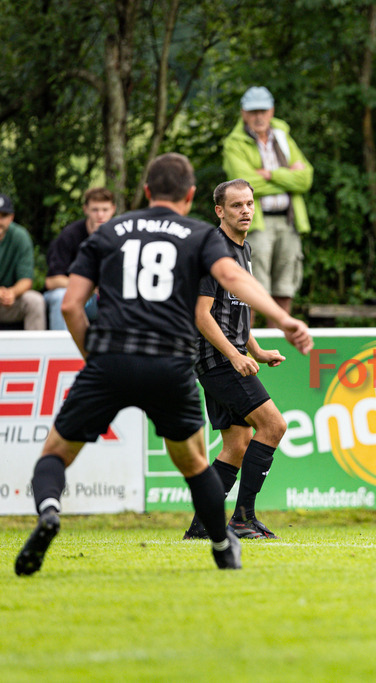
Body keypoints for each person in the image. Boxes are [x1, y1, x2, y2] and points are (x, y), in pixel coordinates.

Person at [14, 153, 313, 577]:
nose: (246, 211)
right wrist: (283, 318)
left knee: (55, 455)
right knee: (194, 463)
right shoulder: (199, 237)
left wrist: (93, 359)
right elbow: (230, 286)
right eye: (238, 204)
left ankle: (48, 511)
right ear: (193, 197)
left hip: (111, 360)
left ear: (147, 191)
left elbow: (69, 304)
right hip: (171, 362)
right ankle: (223, 541)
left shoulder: (109, 231)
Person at [182, 179, 290, 542]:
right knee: (273, 426)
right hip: (216, 357)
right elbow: (202, 314)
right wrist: (235, 355)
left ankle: (201, 526)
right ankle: (242, 519)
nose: (245, 210)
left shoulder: (243, 249)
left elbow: (235, 312)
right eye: (236, 205)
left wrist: (255, 349)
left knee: (237, 443)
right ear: (219, 211)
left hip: (226, 355)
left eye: (249, 203)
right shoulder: (214, 251)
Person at [223, 86, 313, 321]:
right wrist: (287, 176)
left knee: (284, 290)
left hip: (289, 220)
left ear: (272, 111)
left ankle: (281, 349)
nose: (258, 116)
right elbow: (244, 187)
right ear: (243, 113)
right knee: (251, 290)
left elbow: (305, 179)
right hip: (255, 224)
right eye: (253, 112)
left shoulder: (283, 136)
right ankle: (248, 351)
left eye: (263, 110)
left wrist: (270, 175)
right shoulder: (234, 143)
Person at [44, 187, 117, 330]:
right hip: (76, 297)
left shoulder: (120, 235)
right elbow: (52, 281)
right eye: (95, 210)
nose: (100, 215)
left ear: (113, 209)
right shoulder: (70, 235)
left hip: (107, 299)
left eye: (105, 209)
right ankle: (62, 351)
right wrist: (87, 288)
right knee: (61, 297)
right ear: (86, 209)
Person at [0, 193, 46, 330]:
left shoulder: (20, 236)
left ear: (11, 217)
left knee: (35, 301)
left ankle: (36, 350)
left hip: (9, 302)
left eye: (3, 216)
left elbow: (26, 279)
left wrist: (12, 293)